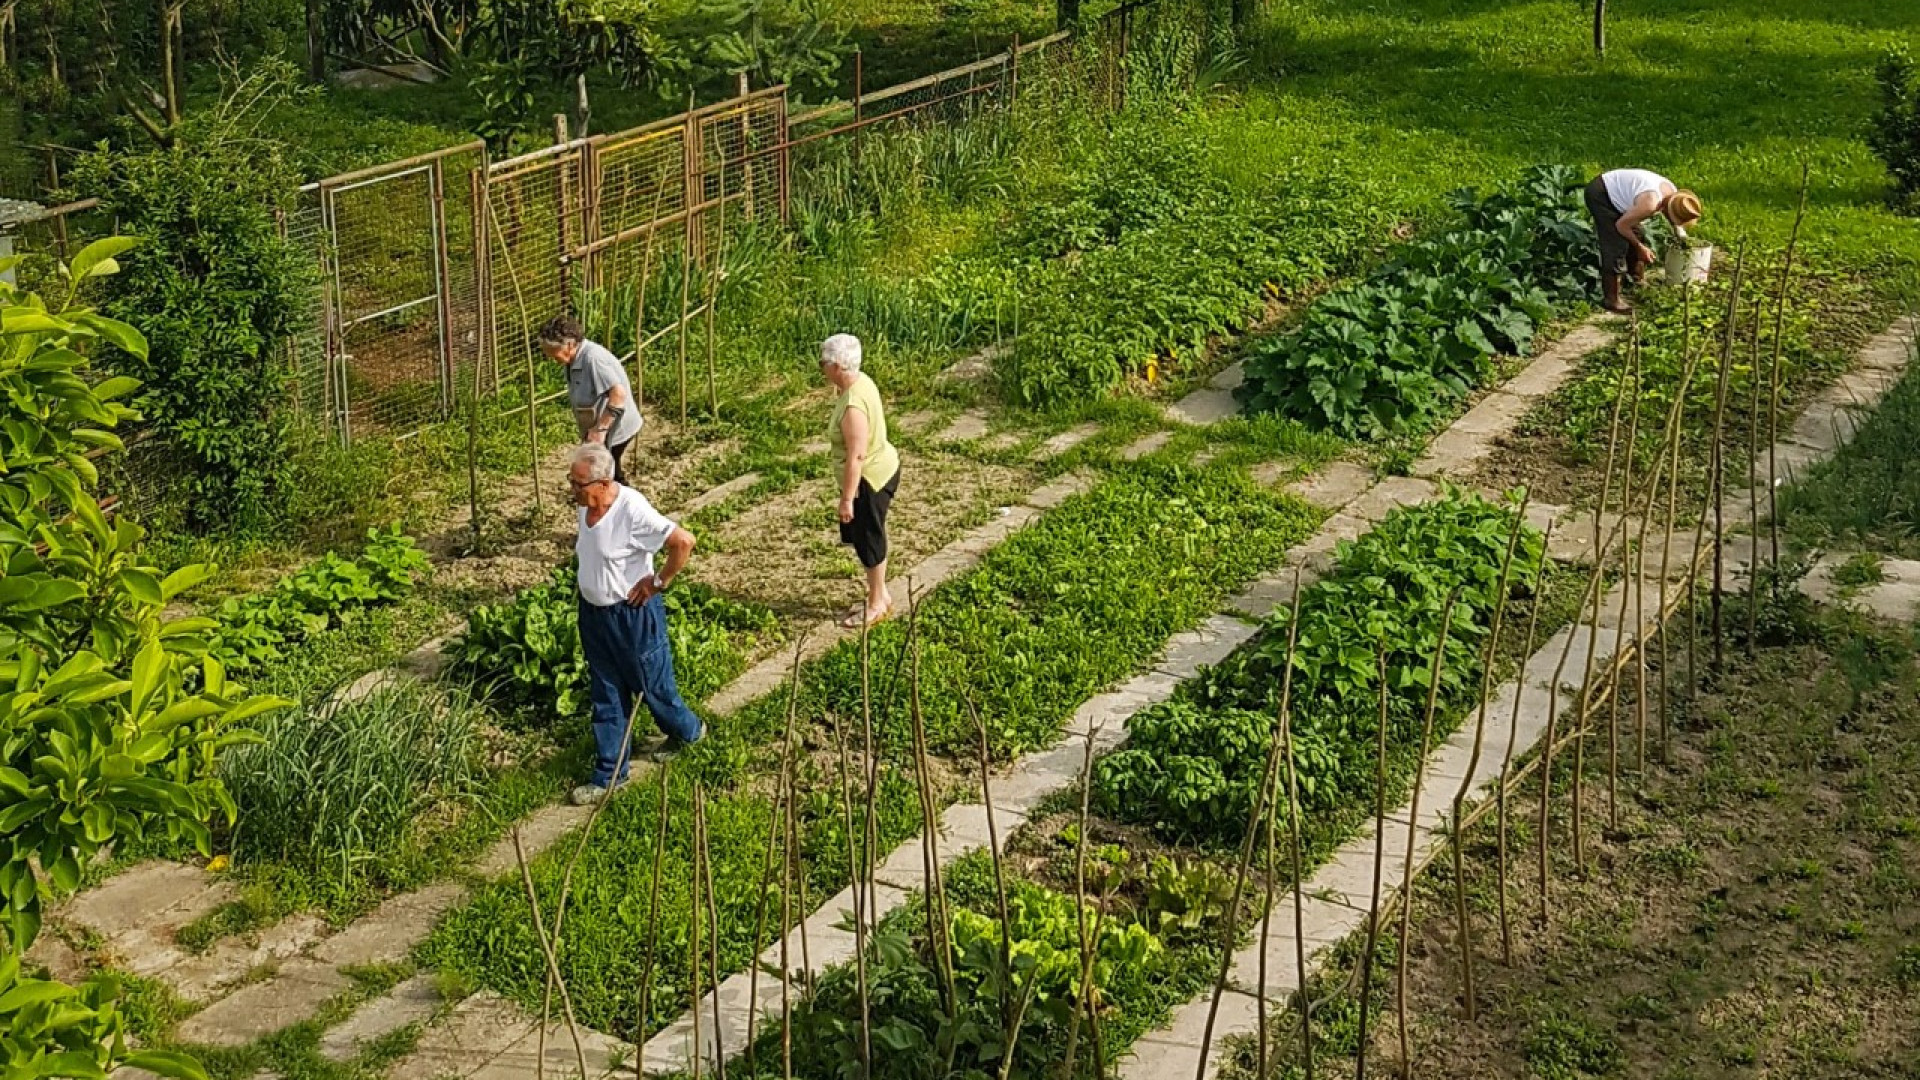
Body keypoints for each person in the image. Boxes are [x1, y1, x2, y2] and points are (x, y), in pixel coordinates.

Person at [566, 441, 704, 806]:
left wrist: (658, 582)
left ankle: (688, 731)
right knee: (606, 691)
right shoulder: (586, 507)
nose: (571, 490)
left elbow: (683, 542)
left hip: (631, 615)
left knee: (651, 684)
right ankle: (610, 773)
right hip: (594, 615)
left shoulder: (631, 510)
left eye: (577, 484)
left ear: (601, 483)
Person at [819, 333, 901, 629]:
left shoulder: (853, 404)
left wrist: (847, 499)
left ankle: (878, 602)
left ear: (838, 367)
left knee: (869, 539)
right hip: (881, 468)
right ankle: (879, 594)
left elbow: (856, 455)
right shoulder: (861, 382)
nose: (821, 368)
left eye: (824, 363)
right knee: (869, 536)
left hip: (869, 480)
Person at [1584, 169, 1703, 313]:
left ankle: (1635, 279)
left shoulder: (1672, 193)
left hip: (1617, 190)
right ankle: (1611, 300)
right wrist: (1640, 247)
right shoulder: (1650, 204)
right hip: (1601, 194)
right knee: (1616, 244)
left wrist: (1680, 234)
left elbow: (1671, 216)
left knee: (1637, 233)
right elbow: (1621, 225)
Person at [541, 315, 642, 485]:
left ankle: (624, 506)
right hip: (600, 428)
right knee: (607, 474)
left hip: (614, 428)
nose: (549, 356)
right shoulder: (574, 359)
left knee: (606, 476)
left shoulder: (593, 359)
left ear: (570, 344)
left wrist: (600, 430)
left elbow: (618, 394)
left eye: (553, 351)